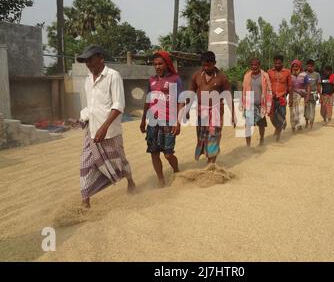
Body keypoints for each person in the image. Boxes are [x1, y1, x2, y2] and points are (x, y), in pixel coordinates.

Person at [77, 45, 135, 209]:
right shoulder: (87, 80)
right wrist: (81, 118)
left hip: (110, 131)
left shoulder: (113, 76)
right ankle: (85, 201)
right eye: (86, 61)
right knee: (85, 164)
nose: (88, 64)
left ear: (100, 58)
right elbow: (91, 106)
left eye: (90, 60)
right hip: (92, 131)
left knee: (120, 161)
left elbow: (119, 105)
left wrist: (104, 127)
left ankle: (130, 181)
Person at [140, 51, 183, 188]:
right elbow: (148, 100)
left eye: (160, 63)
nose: (157, 66)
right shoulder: (151, 80)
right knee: (154, 152)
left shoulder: (175, 79)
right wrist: (142, 120)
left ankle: (176, 171)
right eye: (155, 64)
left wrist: (178, 121)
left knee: (168, 154)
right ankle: (161, 180)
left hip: (169, 121)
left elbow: (181, 101)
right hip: (153, 121)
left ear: (167, 63)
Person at [187, 51, 235, 163]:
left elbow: (228, 96)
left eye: (209, 65)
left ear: (214, 63)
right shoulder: (197, 76)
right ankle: (209, 157)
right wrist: (187, 109)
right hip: (201, 114)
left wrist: (233, 115)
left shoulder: (221, 77)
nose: (206, 67)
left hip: (216, 114)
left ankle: (211, 165)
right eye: (204, 65)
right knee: (202, 138)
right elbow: (190, 93)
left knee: (213, 137)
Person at [241, 58, 272, 146]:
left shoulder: (265, 76)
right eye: (252, 65)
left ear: (259, 65)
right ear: (250, 66)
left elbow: (269, 90)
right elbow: (243, 89)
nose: (254, 67)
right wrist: (242, 103)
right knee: (248, 125)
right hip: (249, 105)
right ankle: (248, 145)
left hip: (260, 105)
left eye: (256, 65)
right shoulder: (247, 76)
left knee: (261, 125)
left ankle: (261, 139)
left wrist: (268, 104)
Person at [267, 55, 293, 142]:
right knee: (271, 116)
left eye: (279, 63)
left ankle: (278, 135)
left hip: (282, 97)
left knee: (281, 116)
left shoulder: (287, 72)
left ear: (282, 63)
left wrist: (291, 98)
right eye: (275, 63)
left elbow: (290, 86)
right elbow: (267, 85)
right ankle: (278, 127)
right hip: (271, 98)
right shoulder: (269, 72)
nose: (277, 65)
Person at [290, 59, 308, 133]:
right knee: (293, 112)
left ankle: (300, 126)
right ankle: (293, 127)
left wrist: (307, 96)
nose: (295, 67)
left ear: (300, 66)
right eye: (293, 66)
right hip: (292, 95)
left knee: (300, 111)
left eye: (296, 66)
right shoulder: (290, 75)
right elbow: (287, 86)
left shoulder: (304, 75)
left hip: (301, 96)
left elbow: (308, 85)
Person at [304, 59, 321, 129]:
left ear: (313, 66)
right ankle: (306, 123)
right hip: (305, 95)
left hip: (314, 94)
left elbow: (318, 85)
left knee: (312, 110)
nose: (309, 68)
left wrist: (320, 95)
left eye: (311, 66)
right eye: (308, 66)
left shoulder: (317, 75)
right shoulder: (304, 74)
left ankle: (311, 124)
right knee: (306, 109)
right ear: (306, 66)